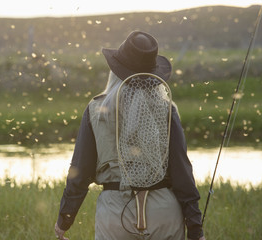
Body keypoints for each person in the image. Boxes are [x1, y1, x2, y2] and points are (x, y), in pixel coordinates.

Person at [54, 31, 205, 240]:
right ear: (154, 76)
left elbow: (79, 172)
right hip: (164, 212)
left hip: (115, 213)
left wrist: (65, 219)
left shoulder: (95, 110)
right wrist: (196, 229)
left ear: (115, 72)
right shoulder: (167, 109)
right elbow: (182, 172)